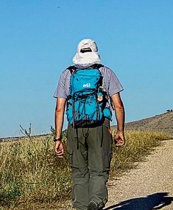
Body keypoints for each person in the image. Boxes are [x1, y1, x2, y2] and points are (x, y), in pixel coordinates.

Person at [53, 39, 125, 210]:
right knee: (99, 170)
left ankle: (81, 207)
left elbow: (59, 108)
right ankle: (96, 202)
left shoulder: (67, 74)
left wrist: (57, 138)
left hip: (75, 128)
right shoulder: (105, 72)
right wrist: (120, 131)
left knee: (79, 172)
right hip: (100, 127)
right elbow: (118, 105)